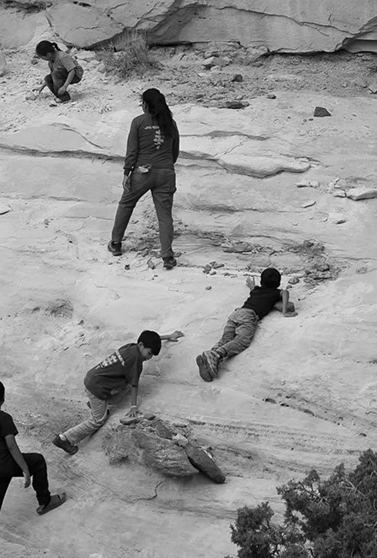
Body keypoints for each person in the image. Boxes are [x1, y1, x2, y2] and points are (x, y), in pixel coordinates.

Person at [0, 379, 64, 534]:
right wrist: (25, 469)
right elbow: (11, 445)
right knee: (38, 461)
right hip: (1, 463)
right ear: (3, 397)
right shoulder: (3, 417)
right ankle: (45, 501)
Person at [52, 330, 162, 454]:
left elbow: (149, 340)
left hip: (92, 378)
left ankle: (96, 405)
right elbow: (134, 385)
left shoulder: (132, 346)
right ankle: (64, 439)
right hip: (97, 387)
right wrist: (133, 406)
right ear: (141, 345)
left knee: (125, 384)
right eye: (149, 353)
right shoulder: (136, 359)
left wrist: (168, 336)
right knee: (97, 421)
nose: (149, 357)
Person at [109, 88, 180, 267]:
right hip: (166, 172)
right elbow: (174, 152)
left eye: (142, 103)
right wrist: (165, 166)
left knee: (126, 204)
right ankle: (167, 256)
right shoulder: (171, 123)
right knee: (164, 216)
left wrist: (127, 172)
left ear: (147, 105)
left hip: (142, 172)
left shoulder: (138, 122)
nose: (141, 105)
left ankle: (116, 243)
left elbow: (132, 151)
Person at [197, 267, 296, 381]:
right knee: (241, 341)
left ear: (261, 281)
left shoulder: (256, 290)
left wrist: (251, 285)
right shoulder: (275, 293)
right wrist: (284, 311)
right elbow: (285, 292)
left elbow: (253, 289)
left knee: (226, 339)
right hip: (248, 316)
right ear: (278, 283)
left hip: (236, 313)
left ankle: (210, 356)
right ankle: (216, 355)